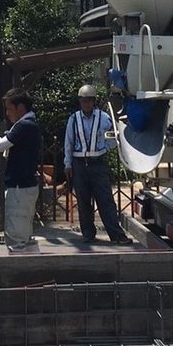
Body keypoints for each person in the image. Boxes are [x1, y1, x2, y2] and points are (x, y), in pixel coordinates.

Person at [64, 84, 131, 246]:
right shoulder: (74, 119)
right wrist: (68, 164)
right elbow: (69, 142)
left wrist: (104, 148)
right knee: (83, 201)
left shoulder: (104, 118)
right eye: (83, 100)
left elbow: (114, 137)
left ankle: (116, 235)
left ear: (94, 101)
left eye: (88, 100)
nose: (86, 103)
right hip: (79, 163)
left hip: (98, 163)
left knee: (105, 200)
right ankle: (88, 234)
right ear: (79, 101)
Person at [0, 88, 41, 253]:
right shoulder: (30, 124)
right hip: (26, 186)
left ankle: (17, 266)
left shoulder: (24, 125)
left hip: (19, 188)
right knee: (26, 236)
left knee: (16, 238)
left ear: (20, 107)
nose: (7, 113)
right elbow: (6, 143)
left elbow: (0, 146)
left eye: (9, 108)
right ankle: (35, 265)